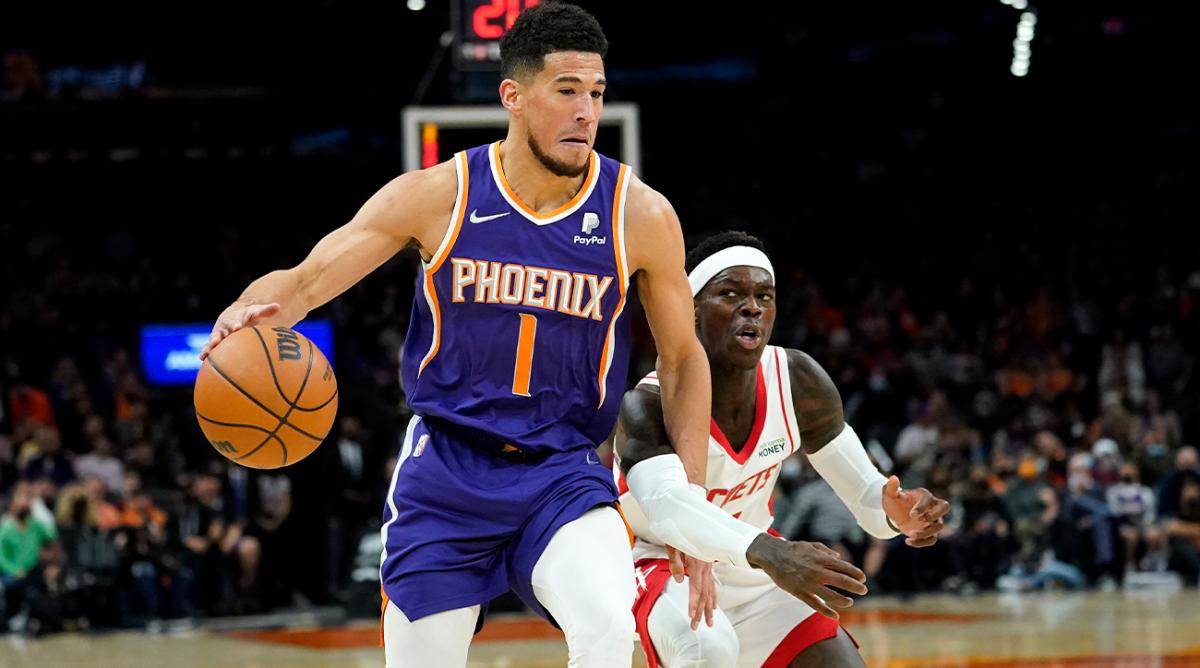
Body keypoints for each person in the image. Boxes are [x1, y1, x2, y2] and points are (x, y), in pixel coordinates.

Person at [198, 4, 712, 666]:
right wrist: (242, 311)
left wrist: (691, 507)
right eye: (566, 91)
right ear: (513, 96)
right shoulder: (439, 195)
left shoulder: (638, 214)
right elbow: (301, 285)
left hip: (562, 473)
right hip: (446, 473)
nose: (587, 111)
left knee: (610, 626)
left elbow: (683, 360)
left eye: (596, 93)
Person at [615, 231, 951, 667]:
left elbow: (867, 499)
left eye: (764, 295)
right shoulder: (647, 404)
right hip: (664, 565)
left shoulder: (797, 379)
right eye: (730, 293)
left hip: (756, 568)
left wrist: (896, 513)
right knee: (709, 649)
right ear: (692, 309)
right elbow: (669, 510)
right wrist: (772, 553)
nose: (751, 306)